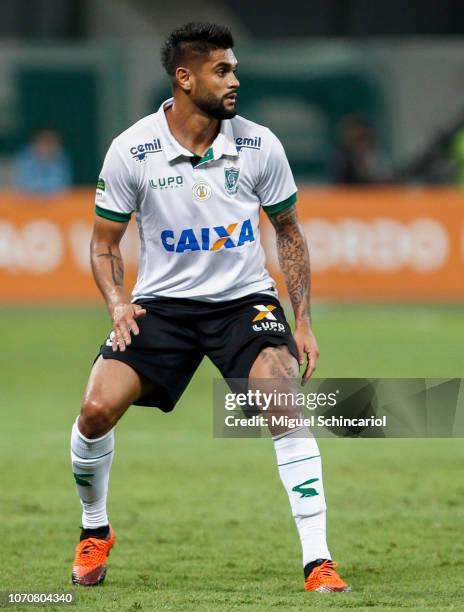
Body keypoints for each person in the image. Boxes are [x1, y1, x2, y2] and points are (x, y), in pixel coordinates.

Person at [70, 22, 350, 593]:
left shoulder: (258, 144)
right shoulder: (133, 150)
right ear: (184, 77)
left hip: (242, 305)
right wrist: (118, 304)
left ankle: (318, 561)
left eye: (234, 69)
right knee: (95, 409)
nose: (234, 80)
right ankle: (94, 528)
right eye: (222, 70)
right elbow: (103, 243)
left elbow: (289, 234)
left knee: (284, 402)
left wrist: (303, 321)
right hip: (161, 309)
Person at [12, 129, 72, 194]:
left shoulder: (61, 159)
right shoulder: (26, 157)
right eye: (43, 144)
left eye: (50, 145)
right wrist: (36, 190)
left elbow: (62, 184)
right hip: (25, 200)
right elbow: (20, 182)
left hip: (54, 201)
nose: (46, 149)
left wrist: (44, 191)